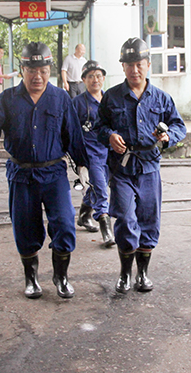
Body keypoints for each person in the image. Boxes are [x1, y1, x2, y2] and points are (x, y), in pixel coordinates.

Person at [0, 42, 90, 299]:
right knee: (25, 228)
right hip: (21, 174)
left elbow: (73, 134)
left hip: (54, 174)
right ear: (22, 70)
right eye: (31, 70)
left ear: (50, 70)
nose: (37, 76)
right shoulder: (7, 100)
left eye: (43, 70)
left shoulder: (60, 99)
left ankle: (61, 276)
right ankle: (31, 278)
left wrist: (82, 165)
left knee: (64, 223)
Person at [95, 37, 187, 294]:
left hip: (149, 167)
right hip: (122, 168)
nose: (134, 70)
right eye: (129, 65)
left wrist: (168, 137)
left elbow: (179, 125)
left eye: (139, 64)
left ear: (148, 64)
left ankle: (143, 273)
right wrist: (110, 136)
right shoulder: (112, 97)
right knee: (125, 218)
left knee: (149, 219)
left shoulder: (161, 98)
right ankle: (125, 273)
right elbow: (99, 127)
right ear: (122, 67)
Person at [72, 60, 114, 247]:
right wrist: (77, 159)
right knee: (101, 190)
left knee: (99, 184)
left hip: (110, 152)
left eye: (98, 76)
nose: (95, 79)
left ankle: (83, 215)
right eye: (90, 76)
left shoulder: (110, 100)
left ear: (103, 78)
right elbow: (70, 131)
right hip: (91, 153)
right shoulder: (78, 103)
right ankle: (106, 230)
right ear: (83, 80)